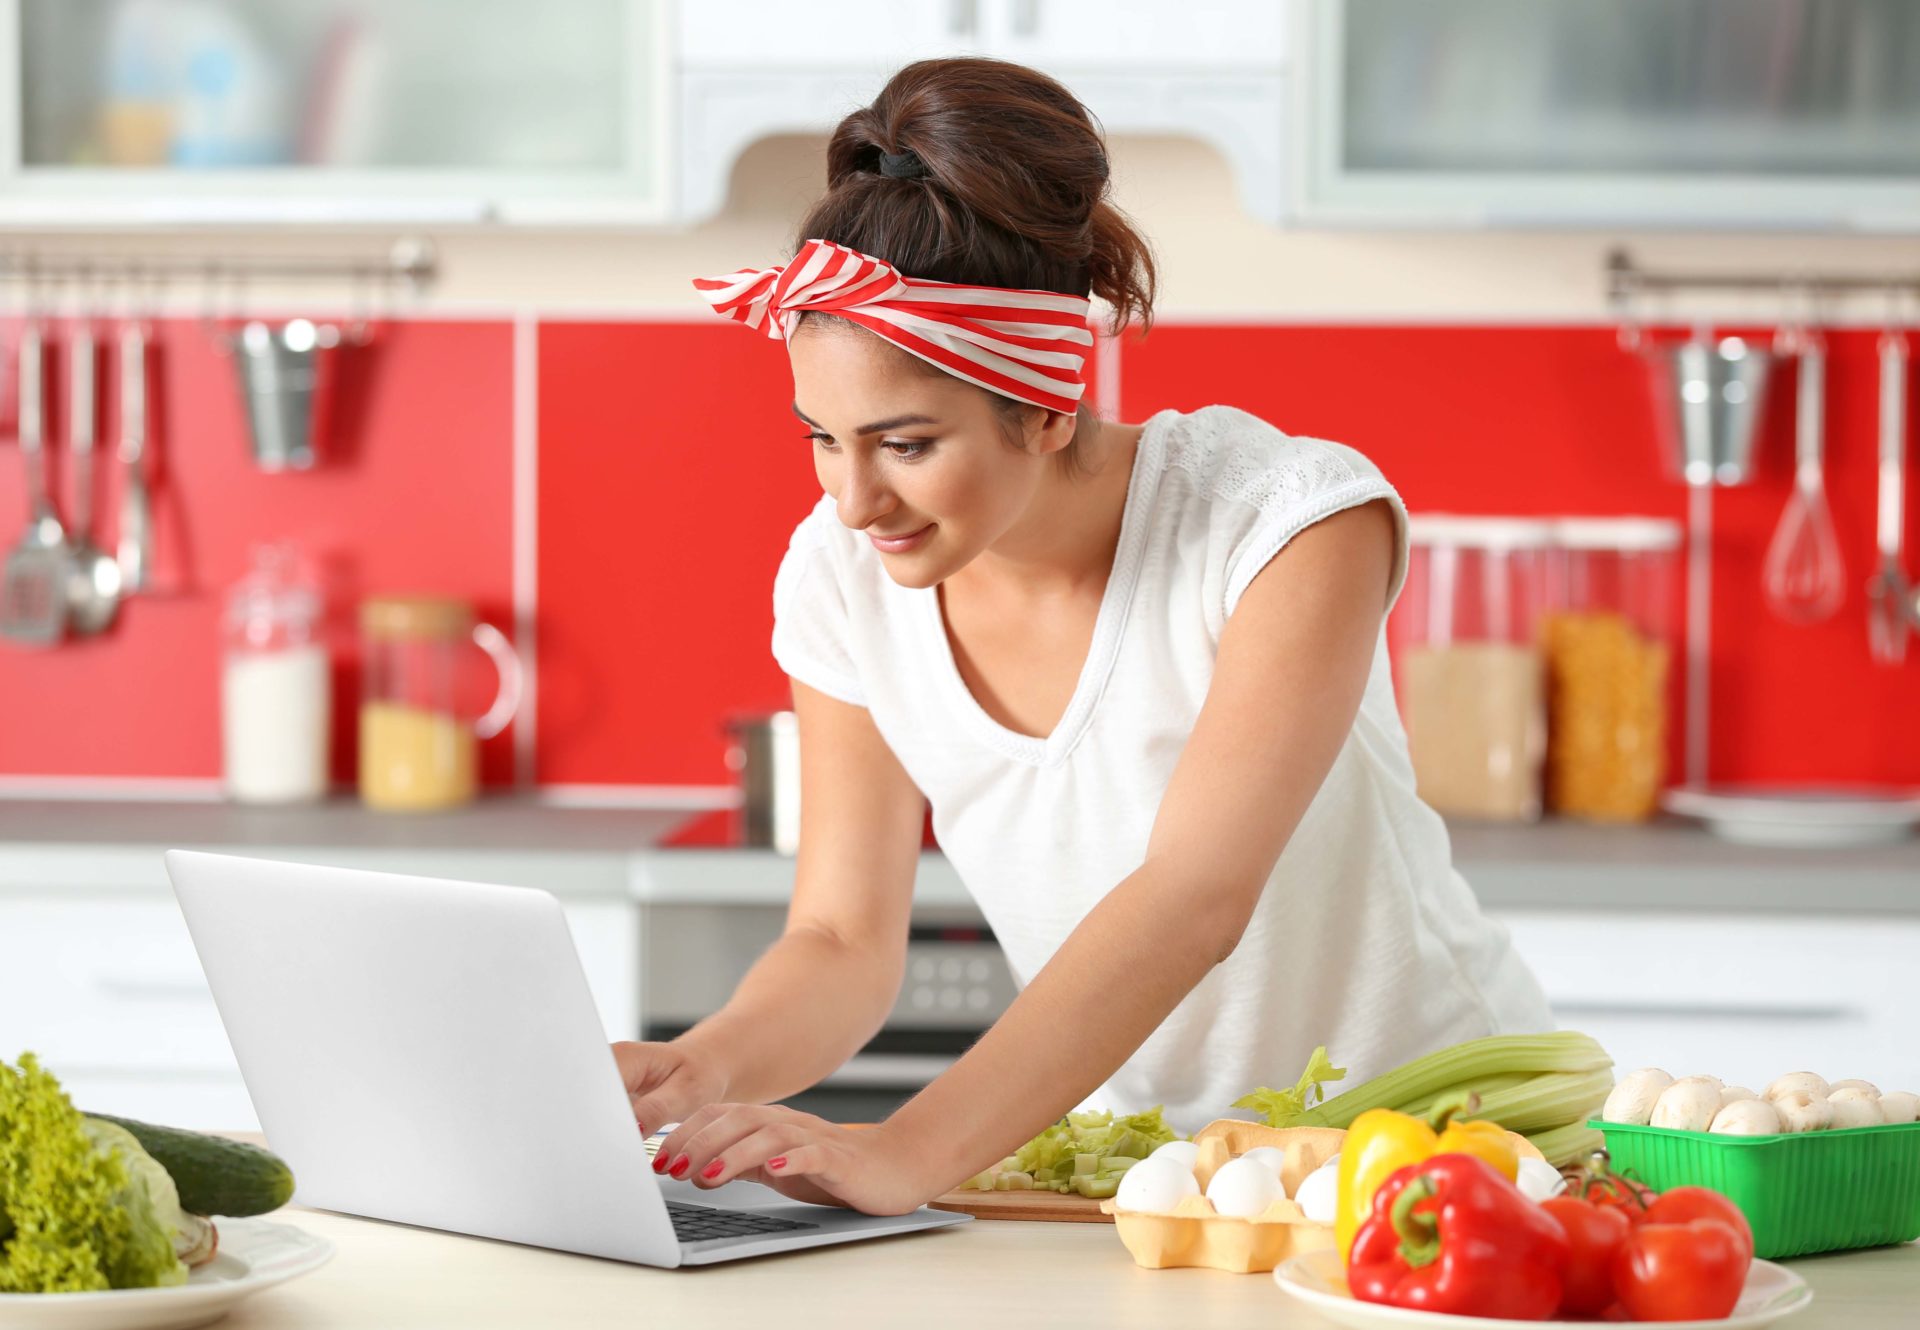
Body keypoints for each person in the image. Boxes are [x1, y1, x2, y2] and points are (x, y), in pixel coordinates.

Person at [613, 57, 1551, 1217]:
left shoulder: (1285, 525)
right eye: (823, 437)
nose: (854, 502)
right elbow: (843, 935)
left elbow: (1195, 897)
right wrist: (709, 1061)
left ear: (1048, 406)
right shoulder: (840, 576)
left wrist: (909, 1147)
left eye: (904, 444)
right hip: (1156, 1180)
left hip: (1437, 1149)